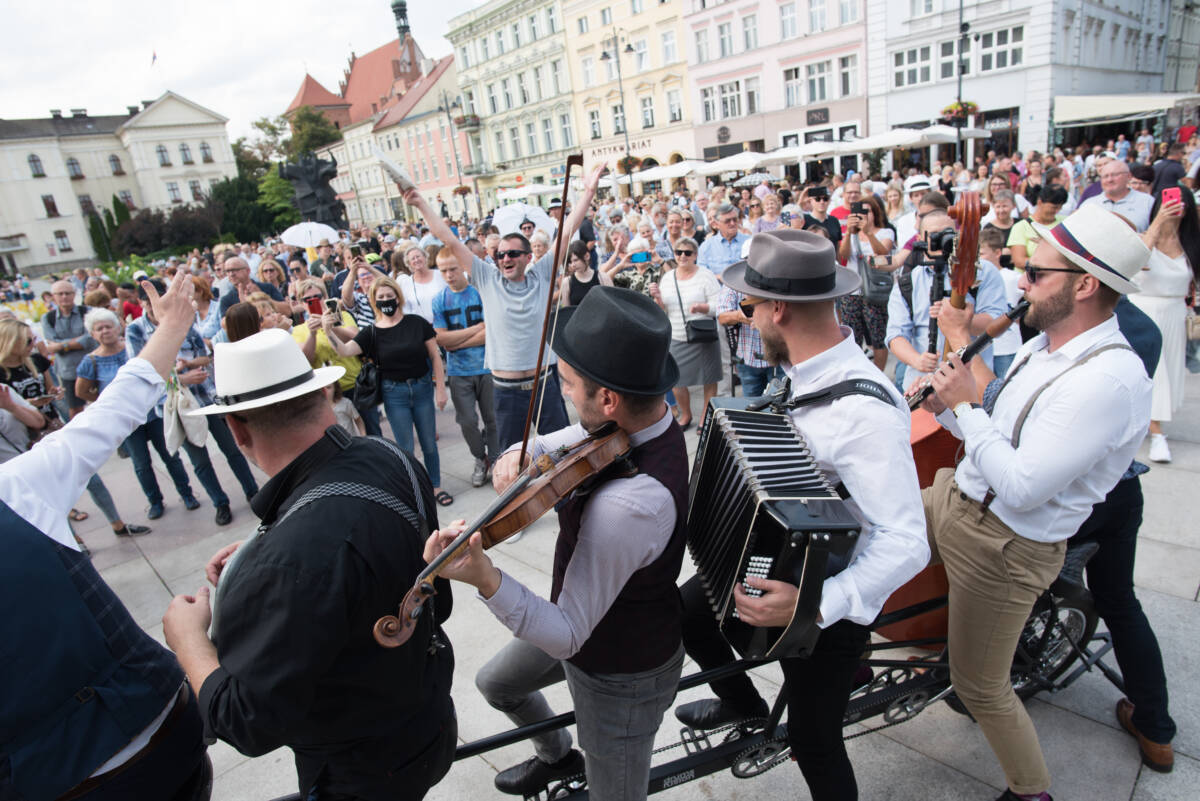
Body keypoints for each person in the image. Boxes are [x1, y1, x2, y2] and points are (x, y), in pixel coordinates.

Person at [677, 229, 928, 801]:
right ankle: (744, 706)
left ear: (779, 309)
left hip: (829, 603)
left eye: (752, 305)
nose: (750, 317)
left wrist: (814, 605)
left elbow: (909, 543)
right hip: (782, 567)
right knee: (688, 612)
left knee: (816, 742)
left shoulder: (862, 410)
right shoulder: (806, 377)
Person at [919, 204, 1153, 801]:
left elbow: (1022, 483)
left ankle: (1031, 791)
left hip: (1005, 547)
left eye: (1036, 273)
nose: (1021, 281)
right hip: (960, 498)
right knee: (855, 535)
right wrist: (953, 395)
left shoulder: (1107, 379)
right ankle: (850, 659)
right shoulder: (1040, 345)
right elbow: (1000, 418)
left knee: (981, 688)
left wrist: (965, 407)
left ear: (1084, 283)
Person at [162, 327, 456, 801]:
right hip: (428, 720)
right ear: (323, 392)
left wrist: (188, 639)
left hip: (360, 771)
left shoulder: (292, 560)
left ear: (237, 431)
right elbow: (428, 599)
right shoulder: (390, 454)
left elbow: (246, 723)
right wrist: (267, 552)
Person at [424, 286, 688, 801]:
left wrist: (485, 578)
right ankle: (555, 754)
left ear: (608, 398)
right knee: (497, 684)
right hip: (589, 622)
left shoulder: (630, 505)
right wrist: (519, 453)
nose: (562, 392)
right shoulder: (639, 421)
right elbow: (556, 442)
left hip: (618, 672)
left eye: (567, 384)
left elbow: (567, 634)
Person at [1, 272, 212, 801]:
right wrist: (170, 328)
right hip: (161, 723)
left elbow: (109, 413)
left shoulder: (15, 486)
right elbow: (110, 414)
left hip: (60, 777)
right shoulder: (14, 489)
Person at [403, 164, 605, 452]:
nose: (505, 258)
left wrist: (588, 192)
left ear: (526, 256)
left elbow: (568, 229)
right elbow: (448, 238)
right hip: (507, 391)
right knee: (511, 462)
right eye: (500, 254)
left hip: (544, 385)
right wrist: (421, 203)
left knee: (563, 455)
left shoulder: (542, 274)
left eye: (513, 253)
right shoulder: (487, 278)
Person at [323, 275, 452, 506]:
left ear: (397, 296)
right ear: (374, 300)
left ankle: (435, 485)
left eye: (389, 295)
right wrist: (328, 330)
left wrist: (440, 388)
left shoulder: (416, 322)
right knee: (406, 448)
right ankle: (415, 491)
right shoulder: (371, 332)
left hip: (422, 388)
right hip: (395, 394)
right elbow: (344, 351)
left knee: (429, 443)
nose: (386, 300)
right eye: (380, 297)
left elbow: (435, 355)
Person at [126, 280, 244, 525]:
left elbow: (205, 356)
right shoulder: (136, 331)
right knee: (199, 461)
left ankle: (253, 491)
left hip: (205, 396)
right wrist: (181, 378)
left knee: (232, 449)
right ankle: (220, 503)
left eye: (163, 297)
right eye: (151, 300)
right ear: (142, 302)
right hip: (177, 406)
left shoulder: (182, 321)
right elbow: (143, 373)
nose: (158, 304)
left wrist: (190, 365)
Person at [1131, 189, 1198, 463]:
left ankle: (1154, 426)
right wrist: (1158, 222)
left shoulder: (1192, 242)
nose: (1174, 207)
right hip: (1143, 308)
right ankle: (1156, 434)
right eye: (1168, 202)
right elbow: (1136, 261)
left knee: (1168, 371)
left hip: (1175, 311)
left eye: (1179, 203)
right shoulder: (1145, 237)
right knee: (1152, 372)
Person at [432, 247, 499, 488]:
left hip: (487, 366)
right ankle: (480, 457)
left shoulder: (480, 293)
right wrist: (475, 330)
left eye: (452, 268)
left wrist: (456, 340)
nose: (449, 275)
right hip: (459, 371)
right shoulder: (440, 299)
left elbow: (491, 332)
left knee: (493, 418)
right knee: (467, 421)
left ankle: (495, 459)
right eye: (443, 271)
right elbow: (441, 339)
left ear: (462, 266)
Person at [649, 238, 721, 430]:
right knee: (677, 380)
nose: (682, 256)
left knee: (709, 377)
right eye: (679, 252)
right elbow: (662, 311)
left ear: (695, 255)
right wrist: (657, 298)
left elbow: (719, 306)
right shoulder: (667, 278)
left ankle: (706, 416)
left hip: (703, 334)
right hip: (677, 335)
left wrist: (703, 307)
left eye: (687, 253)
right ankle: (686, 414)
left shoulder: (706, 276)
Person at [837, 192, 896, 370]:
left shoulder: (886, 231)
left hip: (875, 290)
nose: (864, 216)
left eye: (867, 211)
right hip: (853, 292)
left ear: (875, 213)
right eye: (860, 212)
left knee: (878, 338)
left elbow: (883, 253)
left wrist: (868, 233)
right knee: (852, 338)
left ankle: (879, 374)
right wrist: (849, 232)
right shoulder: (851, 235)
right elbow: (843, 256)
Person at [43, 280, 96, 419]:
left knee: (101, 404)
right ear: (53, 296)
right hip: (68, 371)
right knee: (75, 410)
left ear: (74, 294)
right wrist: (78, 341)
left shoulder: (87, 311)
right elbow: (50, 343)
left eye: (68, 293)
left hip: (93, 367)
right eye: (60, 294)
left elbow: (90, 338)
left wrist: (62, 345)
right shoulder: (48, 318)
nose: (64, 296)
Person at [1080, 160, 1156, 233]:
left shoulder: (1148, 202)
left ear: (1129, 176)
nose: (1109, 180)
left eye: (1115, 175)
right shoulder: (1089, 204)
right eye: (1105, 176)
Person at [1008, 186, 1068, 271]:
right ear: (1040, 202)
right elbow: (1019, 261)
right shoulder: (1021, 227)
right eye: (1053, 207)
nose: (1057, 211)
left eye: (1060, 207)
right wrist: (1049, 266)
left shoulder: (1065, 222)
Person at [697, 203, 750, 279]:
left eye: (735, 219)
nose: (732, 223)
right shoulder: (706, 247)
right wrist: (719, 277)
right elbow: (701, 274)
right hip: (718, 288)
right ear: (717, 224)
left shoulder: (749, 242)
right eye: (727, 221)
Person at [560, 240, 613, 306]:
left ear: (587, 256)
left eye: (576, 260)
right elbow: (566, 311)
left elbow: (612, 305)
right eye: (570, 262)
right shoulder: (567, 282)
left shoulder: (603, 278)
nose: (573, 265)